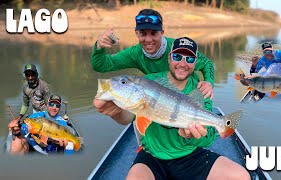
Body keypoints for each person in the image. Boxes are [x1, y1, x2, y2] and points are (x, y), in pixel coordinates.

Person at [98, 37, 250, 179]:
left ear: (195, 63)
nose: (182, 64)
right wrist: (116, 113)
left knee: (242, 176)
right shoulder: (150, 80)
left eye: (189, 59)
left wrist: (192, 137)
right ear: (169, 57)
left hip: (188, 156)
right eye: (177, 57)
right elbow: (128, 118)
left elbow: (209, 138)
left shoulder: (201, 90)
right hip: (152, 156)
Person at [91, 9, 215, 121]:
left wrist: (209, 82)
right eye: (143, 33)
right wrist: (99, 47)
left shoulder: (179, 51)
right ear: (137, 34)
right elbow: (102, 65)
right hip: (157, 101)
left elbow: (207, 63)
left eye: (154, 33)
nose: (148, 39)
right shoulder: (134, 53)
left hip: (187, 101)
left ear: (162, 32)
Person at [8, 95, 73, 155]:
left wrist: (63, 144)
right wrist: (16, 130)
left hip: (51, 152)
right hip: (34, 147)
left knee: (70, 145)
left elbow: (69, 135)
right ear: (47, 104)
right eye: (51, 104)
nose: (54, 108)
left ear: (60, 107)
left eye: (57, 106)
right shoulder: (37, 116)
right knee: (17, 142)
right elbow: (23, 128)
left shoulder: (62, 123)